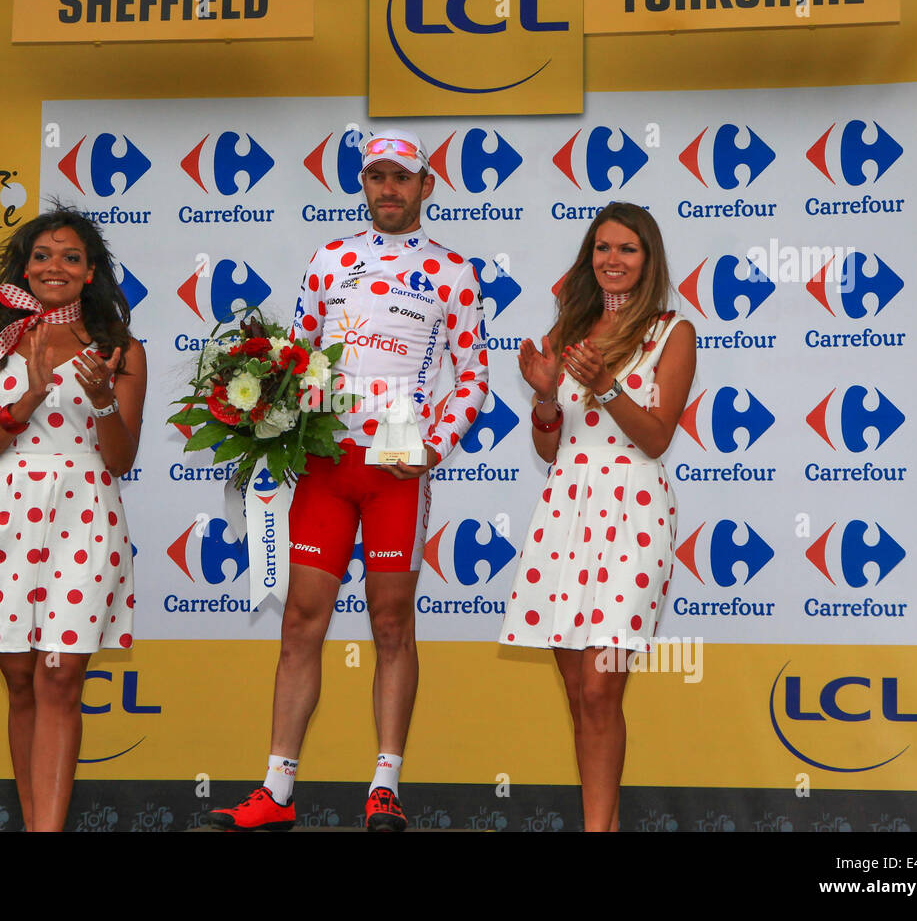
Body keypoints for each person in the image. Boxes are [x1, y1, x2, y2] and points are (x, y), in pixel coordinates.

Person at [208, 129, 489, 831]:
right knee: (302, 621)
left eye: (402, 177)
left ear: (427, 186)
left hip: (397, 461)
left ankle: (385, 787)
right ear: (363, 185)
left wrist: (433, 446)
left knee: (393, 622)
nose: (388, 189)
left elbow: (475, 376)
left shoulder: (454, 271)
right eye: (376, 177)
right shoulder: (332, 258)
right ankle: (276, 791)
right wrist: (266, 409)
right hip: (327, 459)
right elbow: (297, 355)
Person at [0, 207, 147, 832]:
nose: (53, 266)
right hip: (4, 514)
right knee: (23, 681)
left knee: (60, 676)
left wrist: (106, 399)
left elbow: (119, 458)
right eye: (41, 255)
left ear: (90, 274)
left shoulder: (119, 349)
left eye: (70, 257)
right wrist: (25, 402)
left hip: (85, 512)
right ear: (23, 268)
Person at [500, 202, 695, 832]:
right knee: (578, 695)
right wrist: (547, 395)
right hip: (565, 508)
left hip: (635, 511)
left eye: (627, 250)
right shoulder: (569, 331)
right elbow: (550, 446)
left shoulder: (673, 332)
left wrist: (608, 386)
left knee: (601, 688)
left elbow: (657, 438)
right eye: (602, 249)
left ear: (649, 260)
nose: (612, 260)